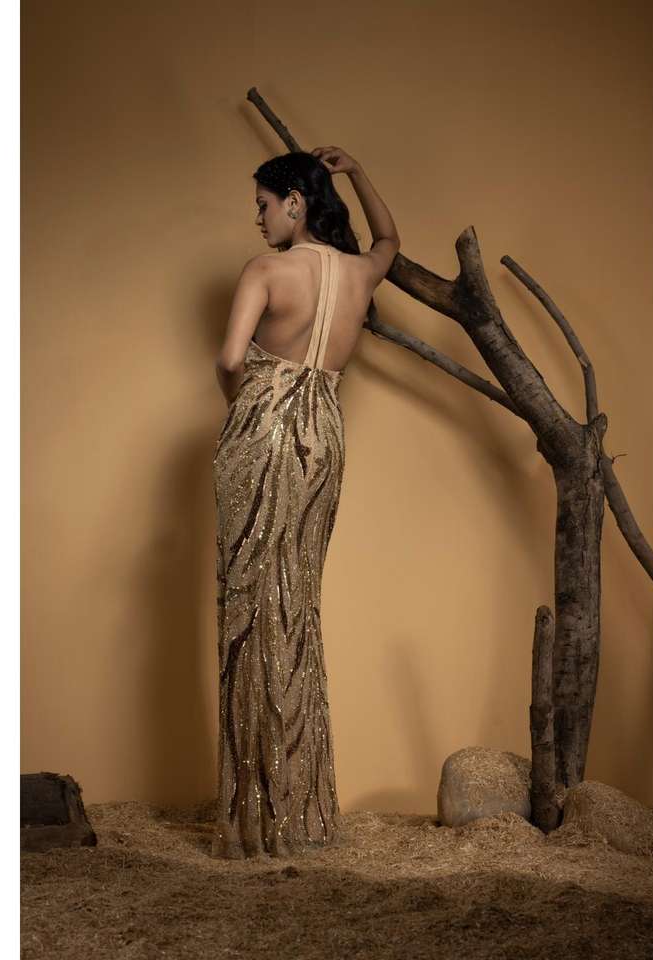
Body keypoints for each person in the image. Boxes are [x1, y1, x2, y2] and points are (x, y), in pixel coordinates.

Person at [210, 147, 399, 858]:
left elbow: (232, 360)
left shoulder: (266, 270)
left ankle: (256, 817)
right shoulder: (359, 274)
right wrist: (358, 171)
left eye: (264, 204)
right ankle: (302, 811)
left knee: (248, 608)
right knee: (296, 605)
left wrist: (246, 409)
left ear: (294, 201)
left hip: (261, 433)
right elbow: (389, 239)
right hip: (325, 435)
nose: (258, 219)